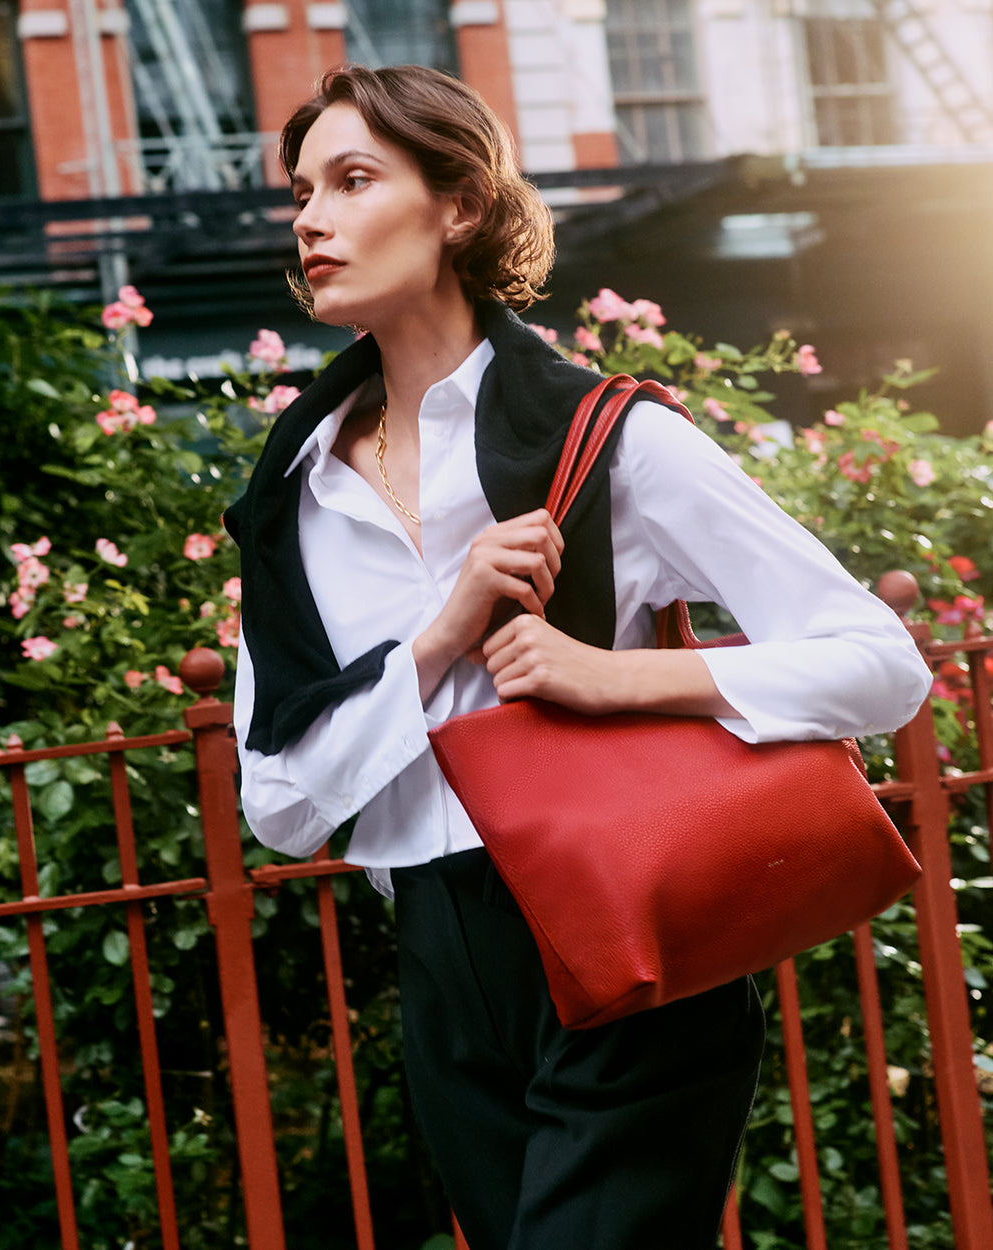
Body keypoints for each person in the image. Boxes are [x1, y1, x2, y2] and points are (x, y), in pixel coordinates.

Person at [226, 64, 931, 1250]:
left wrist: (618, 674)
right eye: (302, 190)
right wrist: (441, 634)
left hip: (625, 929)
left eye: (352, 180)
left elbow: (878, 658)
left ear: (458, 205)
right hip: (442, 970)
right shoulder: (290, 497)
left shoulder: (611, 437)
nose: (310, 218)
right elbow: (282, 803)